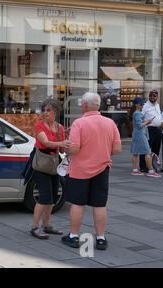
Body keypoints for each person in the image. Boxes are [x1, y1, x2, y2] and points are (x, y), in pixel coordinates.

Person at [62, 92, 122, 251]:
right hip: (102, 169)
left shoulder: (79, 123)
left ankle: (74, 236)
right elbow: (117, 149)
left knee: (78, 203)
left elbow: (73, 149)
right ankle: (101, 239)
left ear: (84, 105)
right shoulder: (110, 123)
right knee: (100, 204)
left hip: (80, 170)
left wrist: (66, 149)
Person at [30, 98, 71, 239]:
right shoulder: (39, 126)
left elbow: (60, 148)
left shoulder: (59, 127)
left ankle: (46, 226)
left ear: (55, 111)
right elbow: (45, 142)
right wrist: (61, 142)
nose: (45, 113)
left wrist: (67, 144)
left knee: (53, 198)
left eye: (48, 110)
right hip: (42, 164)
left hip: (54, 164)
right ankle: (35, 227)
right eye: (44, 110)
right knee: (44, 197)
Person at [130, 97, 161, 177]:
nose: (143, 105)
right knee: (147, 152)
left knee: (135, 152)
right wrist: (147, 122)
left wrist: (146, 122)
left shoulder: (136, 112)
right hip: (140, 134)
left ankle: (135, 170)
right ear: (136, 105)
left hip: (137, 134)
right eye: (141, 104)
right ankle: (151, 171)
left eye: (143, 104)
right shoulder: (137, 113)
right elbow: (139, 125)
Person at [140, 89, 162, 172]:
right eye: (151, 95)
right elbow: (140, 117)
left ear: (157, 97)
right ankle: (143, 166)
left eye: (154, 96)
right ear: (149, 96)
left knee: (156, 149)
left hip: (158, 129)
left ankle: (154, 165)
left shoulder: (157, 105)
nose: (152, 97)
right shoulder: (145, 106)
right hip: (149, 129)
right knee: (146, 148)